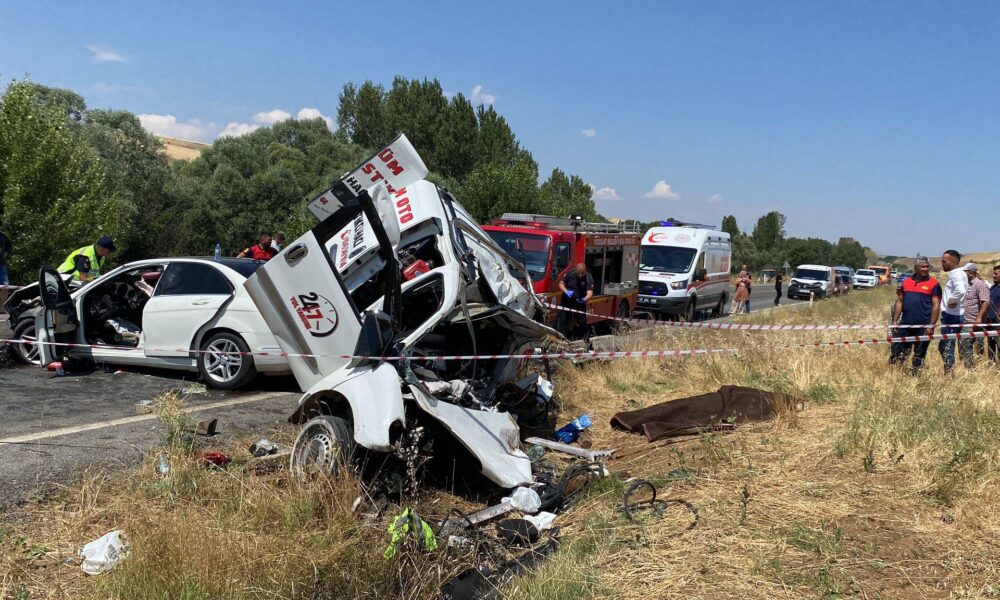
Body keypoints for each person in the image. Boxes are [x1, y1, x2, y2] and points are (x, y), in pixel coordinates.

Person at [889, 257, 941, 375]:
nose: (925, 269)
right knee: (898, 352)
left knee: (919, 355)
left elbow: (936, 305)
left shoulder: (934, 284)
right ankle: (895, 376)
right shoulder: (906, 282)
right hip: (905, 324)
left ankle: (916, 378)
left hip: (923, 326)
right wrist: (895, 321)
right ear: (916, 267)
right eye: (922, 266)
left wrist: (931, 325)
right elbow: (900, 301)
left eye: (927, 266)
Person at [939, 250, 967, 374]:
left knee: (947, 346)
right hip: (953, 314)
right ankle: (950, 370)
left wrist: (951, 300)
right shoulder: (958, 273)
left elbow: (960, 291)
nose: (942, 264)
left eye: (944, 261)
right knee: (945, 345)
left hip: (951, 315)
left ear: (954, 261)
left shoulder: (956, 274)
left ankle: (949, 374)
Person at [959, 263, 990, 367]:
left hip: (973, 320)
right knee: (964, 345)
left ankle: (972, 368)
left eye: (965, 272)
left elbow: (985, 302)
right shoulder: (965, 284)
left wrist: (979, 317)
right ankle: (967, 367)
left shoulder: (980, 285)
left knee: (971, 345)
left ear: (971, 273)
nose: (963, 274)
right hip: (964, 319)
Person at [557, 263, 594, 339]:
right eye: (578, 273)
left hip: (579, 302)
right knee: (563, 319)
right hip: (567, 300)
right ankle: (561, 338)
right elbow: (561, 284)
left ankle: (583, 338)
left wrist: (584, 299)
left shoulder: (588, 278)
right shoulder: (570, 273)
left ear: (585, 271)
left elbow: (590, 293)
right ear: (576, 270)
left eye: (582, 273)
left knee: (582, 321)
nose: (580, 275)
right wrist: (566, 291)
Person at [0, 228, 11, 308]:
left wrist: (2, 256)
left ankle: (2, 308)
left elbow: (8, 248)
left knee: (5, 286)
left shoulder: (3, 236)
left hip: (1, 265)